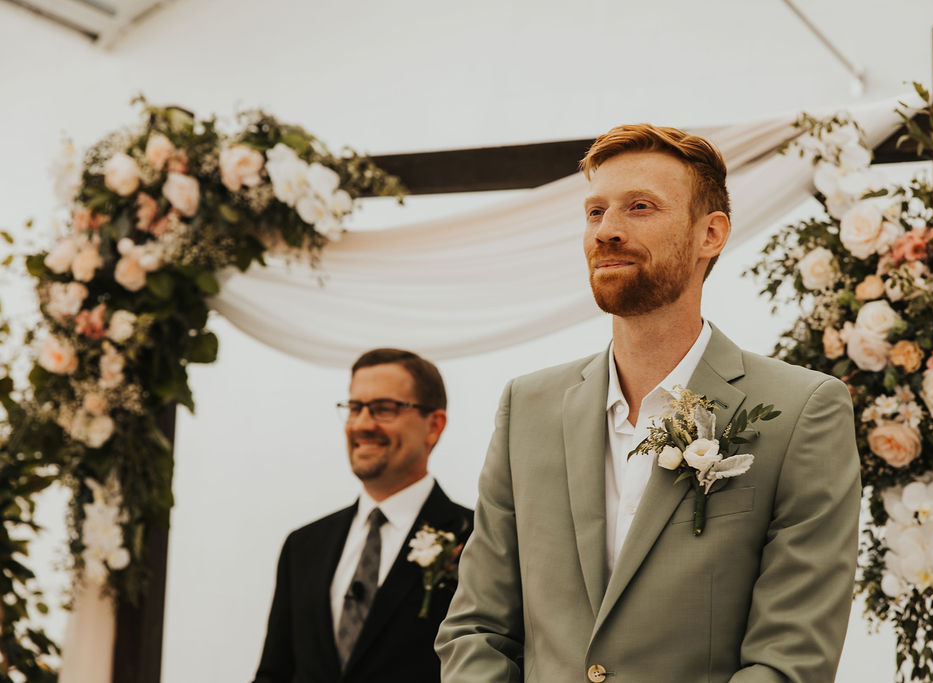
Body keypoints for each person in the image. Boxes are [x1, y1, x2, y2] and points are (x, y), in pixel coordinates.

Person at [436, 124, 861, 682]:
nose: (607, 231)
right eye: (594, 212)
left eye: (640, 207)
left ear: (711, 234)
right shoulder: (527, 408)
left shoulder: (802, 409)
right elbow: (477, 631)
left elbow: (789, 660)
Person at [254, 348, 473, 683]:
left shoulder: (477, 538)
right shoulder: (303, 546)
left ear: (434, 425)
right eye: (355, 408)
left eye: (384, 409)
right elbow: (275, 673)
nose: (362, 424)